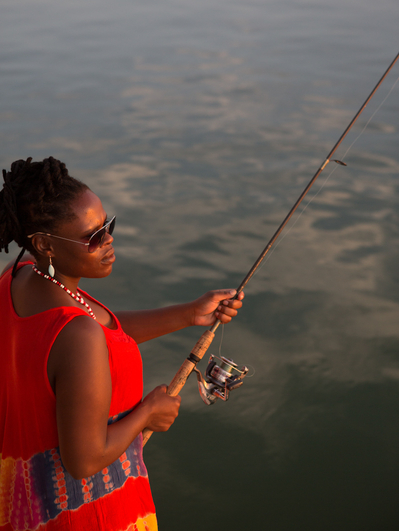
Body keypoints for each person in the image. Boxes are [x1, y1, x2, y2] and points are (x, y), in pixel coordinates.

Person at [0, 157, 244, 531]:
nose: (109, 240)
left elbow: (100, 334)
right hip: (89, 516)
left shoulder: (16, 279)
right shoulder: (76, 334)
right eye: (93, 236)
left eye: (107, 226)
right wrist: (148, 413)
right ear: (45, 243)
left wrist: (191, 313)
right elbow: (84, 459)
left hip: (25, 507)